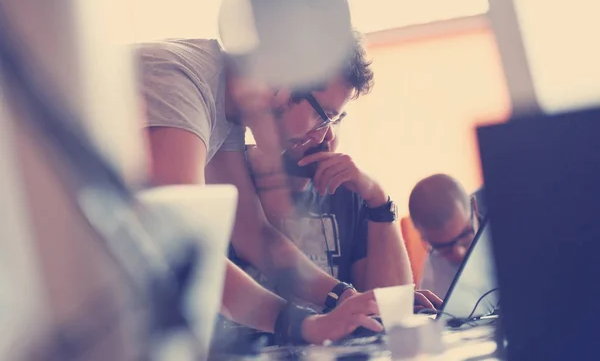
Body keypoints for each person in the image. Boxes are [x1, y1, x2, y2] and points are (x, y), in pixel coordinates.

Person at [136, 33, 383, 345]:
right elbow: (186, 245)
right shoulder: (180, 81)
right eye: (325, 117)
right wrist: (306, 325)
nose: (323, 137)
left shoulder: (226, 108)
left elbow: (253, 233)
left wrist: (343, 295)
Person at [245, 128, 441, 310]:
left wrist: (378, 200)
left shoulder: (348, 191)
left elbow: (389, 310)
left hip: (338, 346)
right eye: (319, 119)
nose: (328, 135)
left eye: (336, 119)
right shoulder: (234, 177)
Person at [408, 174, 485, 299]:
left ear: (474, 208)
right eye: (444, 247)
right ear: (424, 238)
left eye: (465, 235)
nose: (459, 253)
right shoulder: (432, 279)